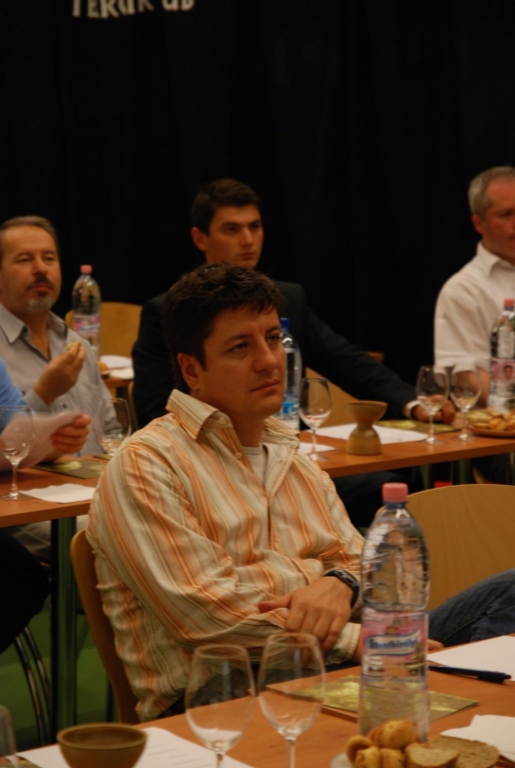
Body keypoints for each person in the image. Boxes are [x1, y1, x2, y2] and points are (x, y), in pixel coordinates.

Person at [88, 262, 515, 721]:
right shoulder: (148, 463)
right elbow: (209, 620)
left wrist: (339, 584)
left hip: (347, 660)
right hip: (226, 689)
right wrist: (361, 638)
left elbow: (365, 565)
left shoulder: (290, 453)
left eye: (273, 338)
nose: (269, 360)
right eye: (240, 347)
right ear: (192, 370)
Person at [133, 179, 454, 528]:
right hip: (211, 470)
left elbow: (348, 361)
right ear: (200, 238)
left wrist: (415, 403)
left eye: (255, 226)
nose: (248, 240)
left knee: (399, 489)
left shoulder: (288, 299)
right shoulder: (170, 313)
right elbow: (156, 409)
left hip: (287, 457)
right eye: (232, 229)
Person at [0, 215, 104, 557]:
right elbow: (9, 445)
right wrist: (45, 392)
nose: (41, 269)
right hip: (25, 502)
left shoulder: (78, 344)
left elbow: (112, 432)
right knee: (108, 534)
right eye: (24, 260)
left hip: (93, 491)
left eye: (49, 258)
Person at [434, 166, 515, 482]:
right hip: (498, 436)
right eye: (507, 214)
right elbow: (465, 378)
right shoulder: (464, 289)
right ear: (479, 223)